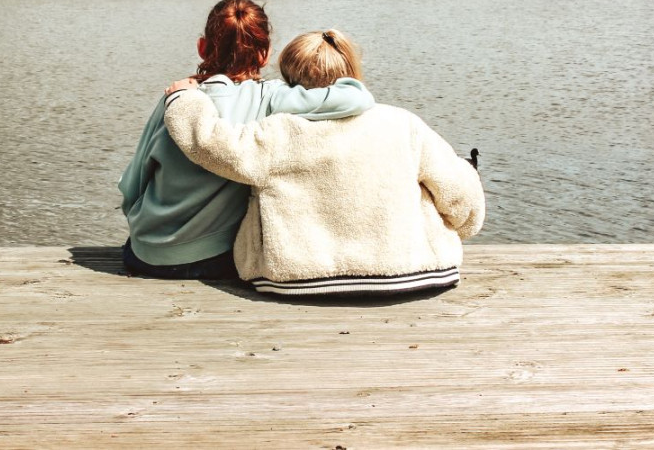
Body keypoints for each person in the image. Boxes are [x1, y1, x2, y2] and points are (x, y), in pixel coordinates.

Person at [163, 29, 486, 296]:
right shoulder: (403, 124)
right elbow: (463, 204)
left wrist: (185, 100)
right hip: (420, 274)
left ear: (289, 82)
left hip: (295, 279)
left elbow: (210, 143)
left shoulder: (280, 132)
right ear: (351, 73)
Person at [119, 0, 375, 280]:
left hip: (144, 253)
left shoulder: (177, 99)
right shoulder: (273, 99)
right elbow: (357, 97)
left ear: (202, 47)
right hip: (214, 257)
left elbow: (132, 187)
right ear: (265, 54)